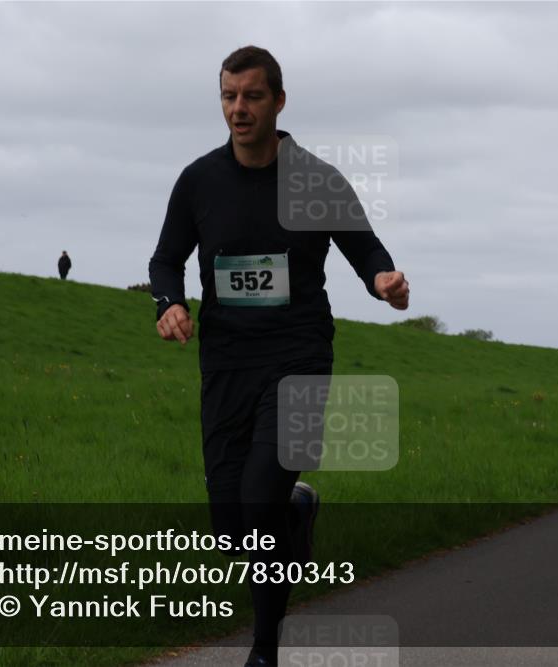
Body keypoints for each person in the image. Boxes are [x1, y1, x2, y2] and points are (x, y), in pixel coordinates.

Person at [148, 46, 409, 667]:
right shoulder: (199, 181)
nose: (238, 109)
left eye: (252, 96)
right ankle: (299, 508)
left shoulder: (315, 180)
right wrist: (168, 303)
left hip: (299, 359)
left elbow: (365, 248)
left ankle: (264, 653)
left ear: (279, 101)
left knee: (258, 501)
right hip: (227, 362)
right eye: (229, 96)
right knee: (231, 524)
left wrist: (384, 282)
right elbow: (166, 258)